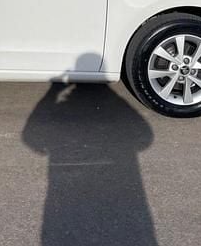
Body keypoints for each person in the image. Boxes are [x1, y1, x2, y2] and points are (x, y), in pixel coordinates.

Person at [22, 54, 156, 246]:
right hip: (117, 181)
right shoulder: (116, 103)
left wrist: (53, 91)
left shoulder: (69, 106)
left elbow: (31, 139)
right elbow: (145, 138)